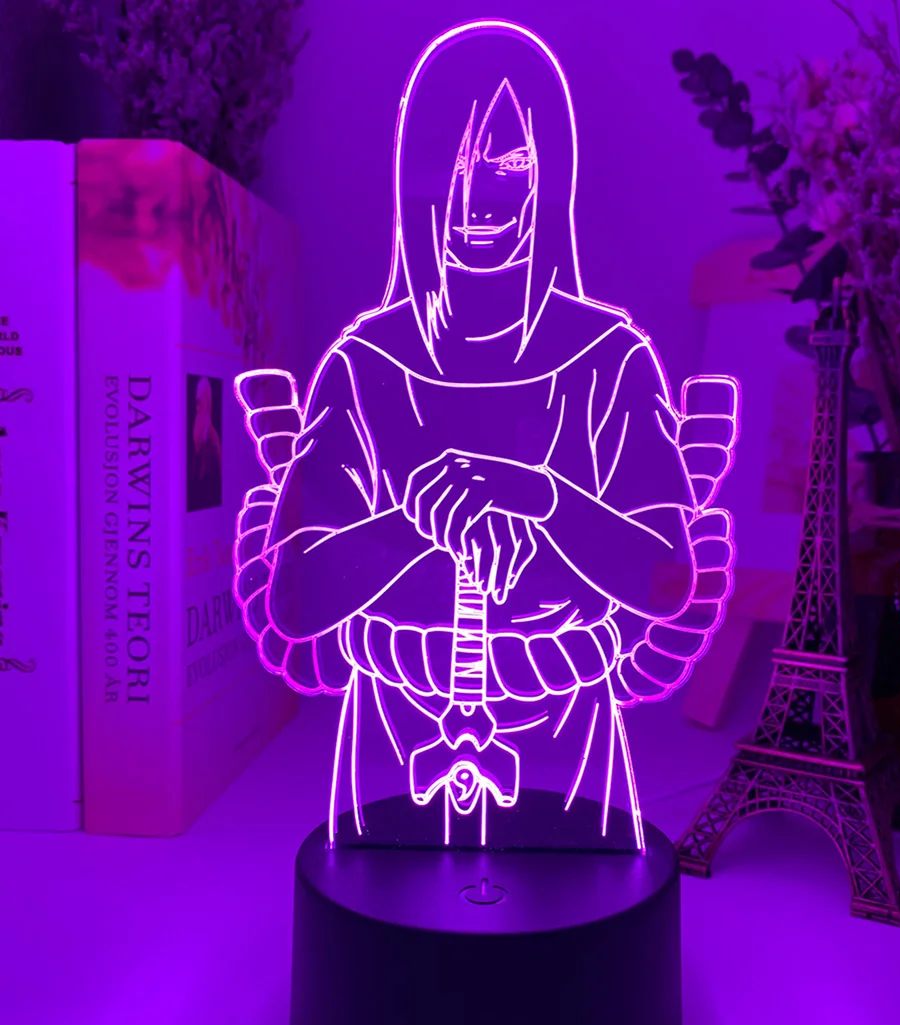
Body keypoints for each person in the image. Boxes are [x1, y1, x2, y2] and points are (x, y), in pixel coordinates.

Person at [234, 21, 737, 848]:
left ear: (551, 176)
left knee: (571, 906)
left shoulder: (608, 360)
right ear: (414, 174)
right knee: (390, 905)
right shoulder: (364, 367)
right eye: (453, 162)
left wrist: (537, 493)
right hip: (391, 742)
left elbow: (668, 575)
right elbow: (294, 594)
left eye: (509, 164)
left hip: (566, 743)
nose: (478, 199)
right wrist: (418, 522)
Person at [189, 376, 222, 510]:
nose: (197, 407)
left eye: (200, 402)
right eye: (196, 402)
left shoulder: (210, 434)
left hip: (206, 490)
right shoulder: (197, 424)